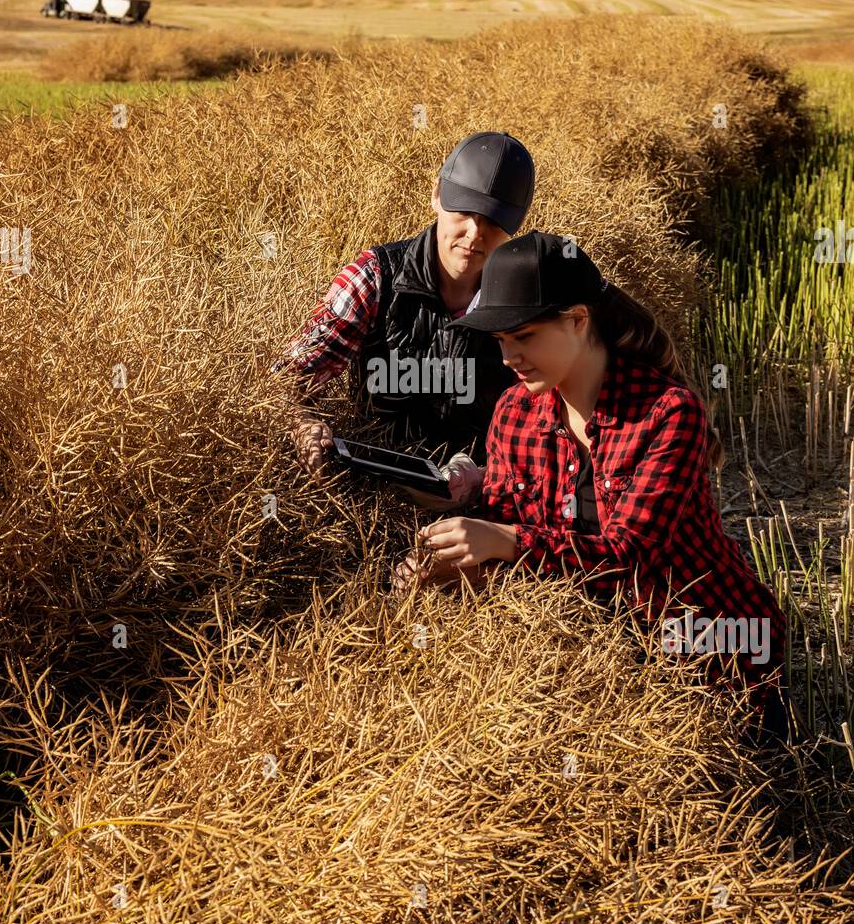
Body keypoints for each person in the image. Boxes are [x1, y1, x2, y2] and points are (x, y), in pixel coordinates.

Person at [395, 230, 795, 747]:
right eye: (500, 341)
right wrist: (446, 568)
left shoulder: (668, 415)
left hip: (714, 653)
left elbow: (630, 558)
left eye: (524, 336)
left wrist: (508, 540)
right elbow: (504, 550)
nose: (508, 357)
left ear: (579, 319)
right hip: (603, 648)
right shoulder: (513, 413)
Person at [278, 131, 535, 506]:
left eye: (494, 221)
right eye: (464, 211)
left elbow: (555, 415)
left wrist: (485, 476)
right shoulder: (373, 276)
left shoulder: (527, 300)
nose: (475, 234)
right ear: (436, 195)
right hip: (369, 497)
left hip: (485, 501)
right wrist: (304, 426)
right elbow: (288, 380)